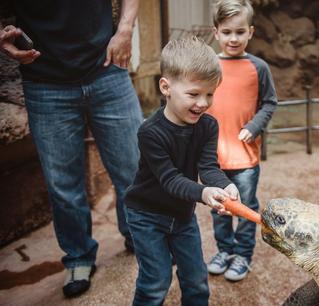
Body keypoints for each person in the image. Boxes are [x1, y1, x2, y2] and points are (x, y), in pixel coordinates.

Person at [0, 0, 143, 298]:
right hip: (44, 82)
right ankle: (78, 257)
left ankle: (138, 235)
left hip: (108, 68)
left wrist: (126, 28)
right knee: (62, 184)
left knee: (135, 167)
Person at [124, 37, 239, 306]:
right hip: (146, 215)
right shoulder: (150, 132)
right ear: (166, 87)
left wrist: (224, 185)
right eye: (194, 94)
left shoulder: (208, 126)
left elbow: (209, 167)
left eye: (210, 94)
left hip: (182, 216)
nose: (203, 103)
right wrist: (204, 192)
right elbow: (170, 180)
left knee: (196, 279)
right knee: (156, 280)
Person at [206, 0, 277, 282]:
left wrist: (255, 126)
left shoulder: (258, 67)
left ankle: (243, 256)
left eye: (239, 32)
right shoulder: (208, 66)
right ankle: (224, 250)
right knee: (220, 208)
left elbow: (270, 103)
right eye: (226, 32)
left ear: (251, 32)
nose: (232, 38)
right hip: (212, 158)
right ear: (216, 33)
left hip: (245, 158)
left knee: (245, 208)